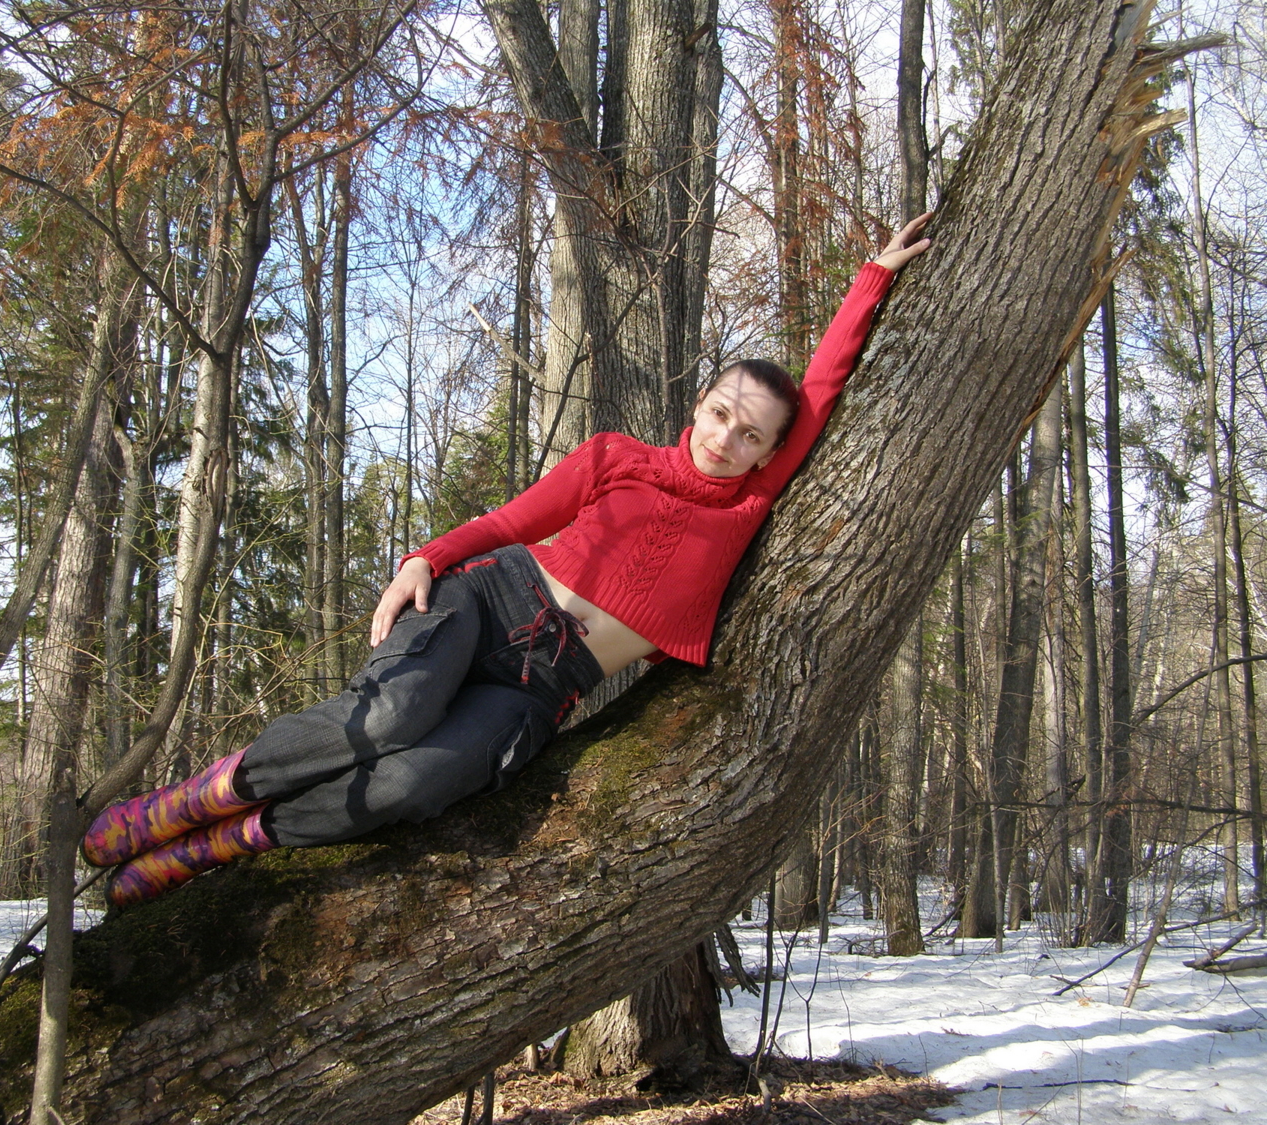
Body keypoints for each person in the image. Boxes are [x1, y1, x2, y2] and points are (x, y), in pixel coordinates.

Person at [84, 213, 933, 907]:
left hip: (540, 686)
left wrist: (873, 279)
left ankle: (232, 839)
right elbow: (510, 519)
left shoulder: (752, 503)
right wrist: (423, 556)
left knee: (417, 783)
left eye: (749, 434)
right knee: (386, 719)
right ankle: (190, 802)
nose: (724, 438)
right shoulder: (615, 457)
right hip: (489, 601)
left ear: (767, 455)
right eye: (719, 413)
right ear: (698, 403)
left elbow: (821, 391)